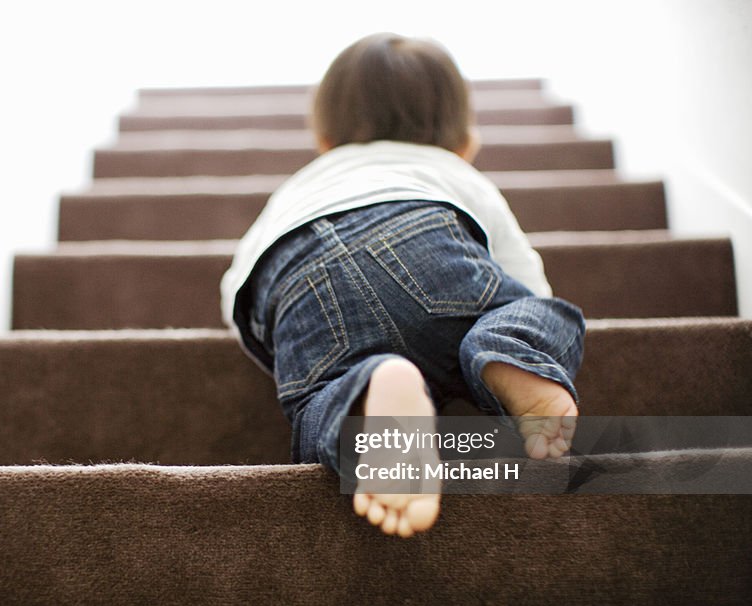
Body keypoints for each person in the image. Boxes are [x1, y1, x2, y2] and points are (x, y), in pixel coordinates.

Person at [220, 33, 585, 538]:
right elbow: (527, 278)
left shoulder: (298, 187)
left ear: (325, 139)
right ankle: (509, 352)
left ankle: (367, 389)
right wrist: (526, 323)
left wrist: (279, 349)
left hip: (295, 279)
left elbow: (237, 288)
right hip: (423, 234)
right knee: (541, 314)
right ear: (463, 142)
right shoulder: (451, 171)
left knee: (319, 408)